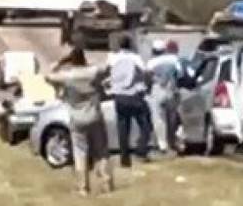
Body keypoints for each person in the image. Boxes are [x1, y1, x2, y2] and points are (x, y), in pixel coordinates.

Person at [47, 48, 113, 196]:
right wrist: (89, 64)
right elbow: (107, 68)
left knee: (80, 153)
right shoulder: (92, 72)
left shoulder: (66, 76)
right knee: (101, 151)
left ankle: (83, 187)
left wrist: (60, 62)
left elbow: (48, 76)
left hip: (77, 118)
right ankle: (106, 183)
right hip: (94, 115)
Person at [107, 35, 151, 167]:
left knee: (123, 128)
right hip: (134, 95)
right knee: (145, 124)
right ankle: (141, 150)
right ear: (130, 45)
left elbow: (108, 73)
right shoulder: (135, 58)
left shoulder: (113, 58)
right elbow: (145, 72)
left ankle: (124, 159)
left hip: (119, 96)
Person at [146, 39, 182, 155]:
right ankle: (172, 141)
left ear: (154, 51)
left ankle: (163, 144)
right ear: (164, 50)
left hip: (157, 90)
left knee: (159, 119)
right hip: (171, 90)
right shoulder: (173, 60)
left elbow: (147, 77)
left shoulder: (151, 62)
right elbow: (180, 75)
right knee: (172, 119)